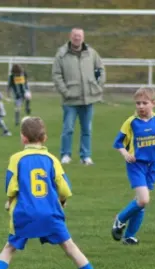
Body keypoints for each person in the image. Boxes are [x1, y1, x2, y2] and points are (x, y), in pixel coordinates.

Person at [0, 116, 113, 269]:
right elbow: (65, 188)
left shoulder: (16, 159)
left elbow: (11, 186)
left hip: (25, 213)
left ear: (23, 138)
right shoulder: (52, 159)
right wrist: (62, 201)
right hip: (50, 214)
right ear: (44, 138)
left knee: (9, 248)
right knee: (70, 247)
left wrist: (10, 200)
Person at [111, 87, 155, 245]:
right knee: (143, 200)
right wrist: (125, 154)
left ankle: (129, 236)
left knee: (140, 202)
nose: (140, 106)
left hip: (153, 166)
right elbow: (118, 142)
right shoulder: (131, 122)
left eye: (144, 103)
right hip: (136, 165)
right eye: (138, 103)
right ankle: (120, 220)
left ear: (153, 103)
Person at [52, 28, 105, 166]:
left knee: (87, 129)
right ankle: (65, 155)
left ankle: (85, 156)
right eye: (75, 36)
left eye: (80, 36)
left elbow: (101, 69)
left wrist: (98, 87)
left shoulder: (91, 53)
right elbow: (56, 75)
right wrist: (65, 92)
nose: (77, 38)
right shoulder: (61, 54)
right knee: (68, 128)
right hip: (70, 100)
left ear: (83, 37)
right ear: (70, 37)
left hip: (88, 99)